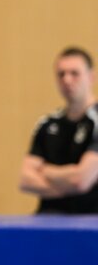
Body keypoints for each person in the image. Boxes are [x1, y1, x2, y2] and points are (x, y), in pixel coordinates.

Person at [19, 46, 98, 213]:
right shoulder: (47, 124)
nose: (67, 80)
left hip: (88, 222)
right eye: (61, 74)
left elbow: (80, 180)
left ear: (91, 77)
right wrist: (71, 184)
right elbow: (25, 179)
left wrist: (45, 170)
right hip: (48, 219)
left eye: (74, 73)